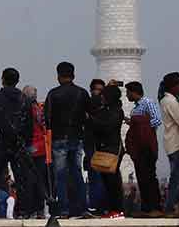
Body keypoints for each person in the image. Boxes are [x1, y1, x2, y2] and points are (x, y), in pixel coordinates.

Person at [0, 68, 34, 219]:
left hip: (0, 144)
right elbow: (29, 124)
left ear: (2, 79)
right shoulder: (24, 99)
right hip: (18, 145)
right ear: (17, 81)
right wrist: (26, 142)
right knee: (21, 177)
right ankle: (24, 210)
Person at [44, 61, 91, 218]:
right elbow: (89, 116)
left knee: (60, 175)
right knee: (77, 174)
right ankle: (83, 208)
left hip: (58, 139)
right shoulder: (82, 93)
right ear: (73, 75)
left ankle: (64, 210)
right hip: (76, 137)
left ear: (58, 76)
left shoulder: (53, 94)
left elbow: (47, 119)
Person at [88, 84, 125, 217]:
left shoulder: (115, 111)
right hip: (106, 147)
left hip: (112, 149)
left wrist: (91, 120)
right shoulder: (109, 109)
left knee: (112, 181)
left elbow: (107, 126)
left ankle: (117, 209)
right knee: (107, 181)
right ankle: (112, 209)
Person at [126, 81, 163, 216]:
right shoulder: (135, 108)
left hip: (147, 146)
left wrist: (141, 126)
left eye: (128, 92)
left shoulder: (147, 102)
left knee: (149, 177)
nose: (127, 95)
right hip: (138, 147)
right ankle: (146, 207)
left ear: (134, 92)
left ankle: (155, 207)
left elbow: (157, 120)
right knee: (142, 177)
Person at [159, 72, 179, 216]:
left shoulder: (167, 100)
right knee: (177, 178)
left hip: (173, 143)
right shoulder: (170, 101)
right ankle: (169, 206)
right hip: (175, 143)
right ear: (173, 86)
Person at [23, 85, 49, 219]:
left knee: (28, 180)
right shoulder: (40, 109)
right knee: (40, 180)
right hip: (41, 148)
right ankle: (39, 209)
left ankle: (29, 209)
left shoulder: (25, 109)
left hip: (30, 147)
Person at [84, 78, 107, 214]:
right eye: (96, 90)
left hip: (101, 145)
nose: (98, 93)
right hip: (91, 143)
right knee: (94, 175)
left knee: (101, 176)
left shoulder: (106, 106)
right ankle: (94, 205)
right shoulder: (89, 104)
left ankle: (101, 205)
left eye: (101, 90)